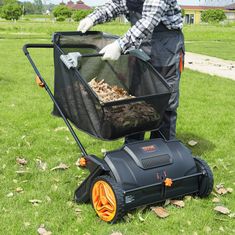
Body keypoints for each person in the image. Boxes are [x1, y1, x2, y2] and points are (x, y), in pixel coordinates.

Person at [77, 0, 185, 142]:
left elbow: (148, 20)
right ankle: (133, 146)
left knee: (165, 99)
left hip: (166, 47)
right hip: (141, 44)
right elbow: (116, 5)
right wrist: (93, 17)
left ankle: (164, 147)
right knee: (136, 98)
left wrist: (120, 45)